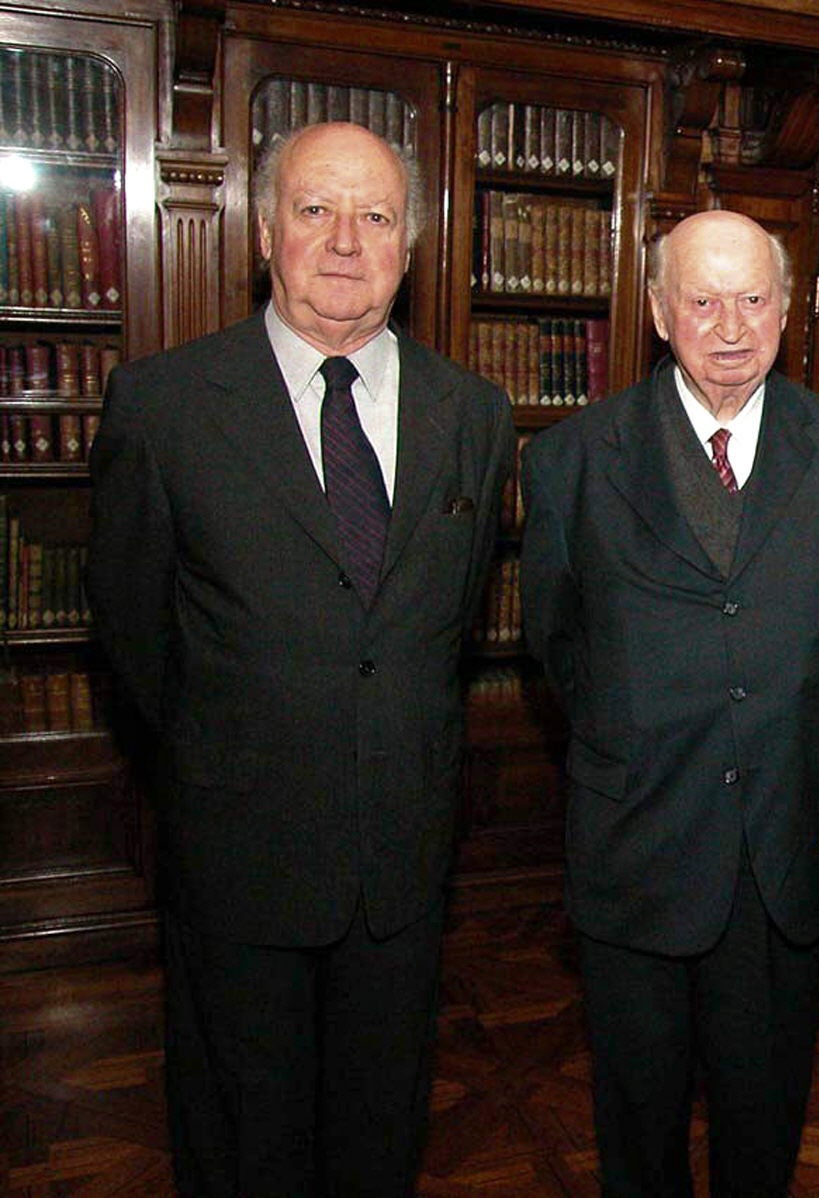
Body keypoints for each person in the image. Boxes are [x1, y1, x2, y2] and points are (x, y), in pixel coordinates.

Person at [87, 122, 514, 1195]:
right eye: (315, 209)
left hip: (403, 866)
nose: (344, 240)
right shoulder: (166, 405)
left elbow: (446, 625)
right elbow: (134, 636)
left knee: (380, 1136)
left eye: (375, 216)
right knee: (244, 1143)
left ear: (410, 247)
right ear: (264, 232)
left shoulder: (474, 414)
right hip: (239, 857)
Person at [520, 209, 819, 1197]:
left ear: (787, 305)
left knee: (765, 1130)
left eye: (754, 298)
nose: (731, 325)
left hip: (785, 858)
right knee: (639, 1131)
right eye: (704, 300)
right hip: (637, 850)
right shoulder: (570, 461)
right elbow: (554, 641)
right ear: (658, 312)